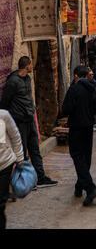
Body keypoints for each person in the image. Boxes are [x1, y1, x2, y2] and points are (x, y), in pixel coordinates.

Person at [0, 56, 58, 189]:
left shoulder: (27, 79)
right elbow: (5, 102)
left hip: (30, 120)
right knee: (22, 152)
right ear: (27, 66)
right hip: (19, 122)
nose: (32, 66)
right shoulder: (13, 81)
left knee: (35, 150)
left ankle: (41, 178)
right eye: (31, 64)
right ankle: (24, 182)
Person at [62, 65, 96, 206]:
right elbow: (95, 109)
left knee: (77, 156)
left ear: (76, 76)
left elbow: (66, 109)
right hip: (88, 127)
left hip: (77, 127)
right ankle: (79, 187)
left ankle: (90, 188)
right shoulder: (92, 88)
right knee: (85, 157)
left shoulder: (74, 89)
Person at [0, 109, 24, 229]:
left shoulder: (4, 115)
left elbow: (15, 136)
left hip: (5, 164)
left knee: (0, 203)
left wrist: (19, 158)